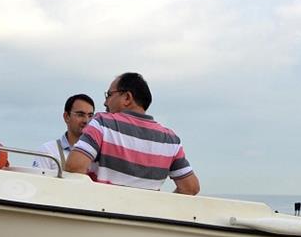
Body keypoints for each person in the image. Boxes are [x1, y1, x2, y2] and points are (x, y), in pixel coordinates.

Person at [63, 72, 200, 195]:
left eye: (109, 95)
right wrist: (161, 205)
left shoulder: (103, 123)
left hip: (103, 215)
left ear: (127, 98)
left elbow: (74, 166)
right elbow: (191, 188)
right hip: (144, 220)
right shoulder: (171, 140)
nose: (105, 102)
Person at [32, 94, 96, 170]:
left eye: (90, 116)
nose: (86, 120)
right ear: (66, 117)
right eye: (80, 115)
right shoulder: (48, 151)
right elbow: (39, 180)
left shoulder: (98, 153)